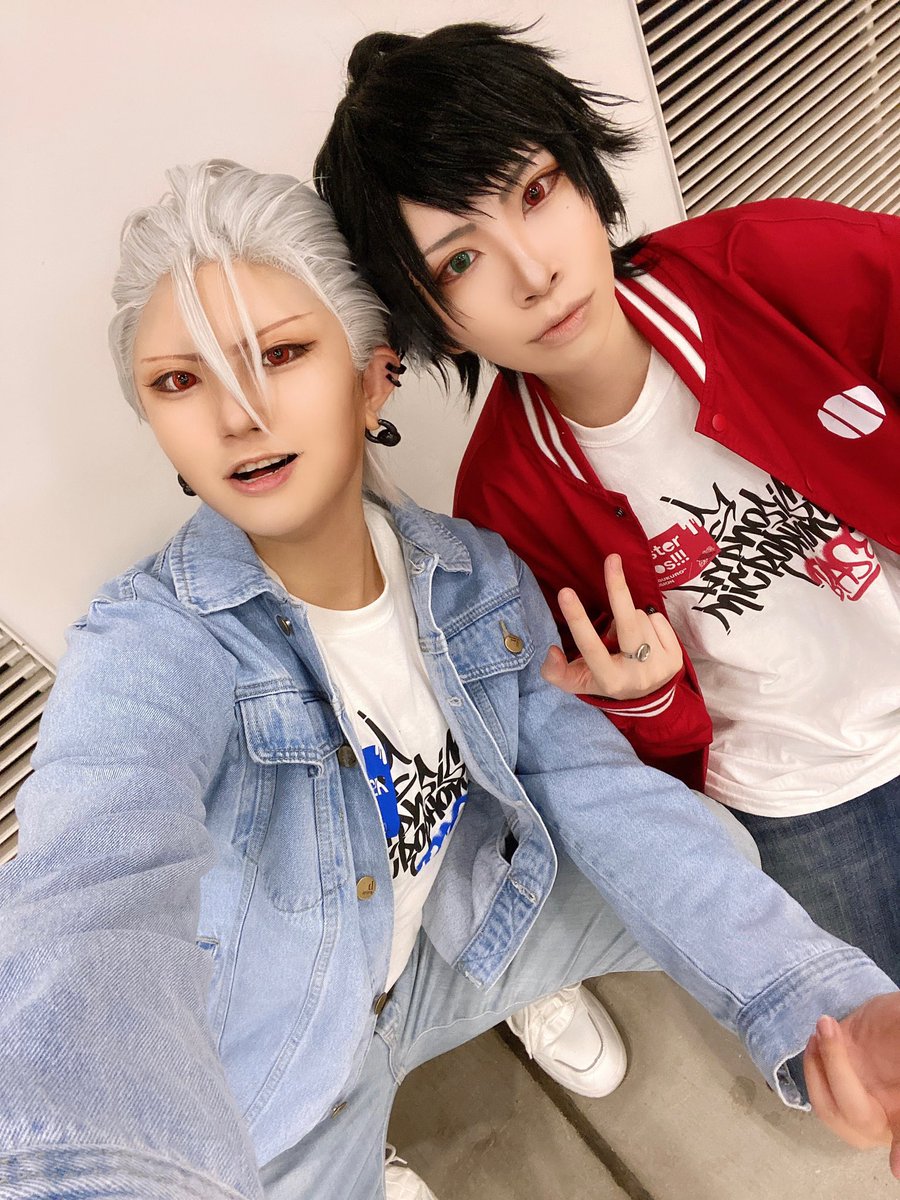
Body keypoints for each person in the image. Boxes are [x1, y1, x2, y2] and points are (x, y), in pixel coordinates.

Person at [2, 159, 898, 1200]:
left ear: (372, 377)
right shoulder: (149, 645)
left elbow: (605, 796)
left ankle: (520, 991)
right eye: (177, 381)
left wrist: (821, 1002)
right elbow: (90, 893)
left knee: (704, 841)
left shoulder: (474, 577)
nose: (237, 415)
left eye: (281, 354)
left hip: (454, 943)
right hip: (274, 1084)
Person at [314, 23, 900, 995]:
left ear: (585, 177)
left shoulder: (774, 264)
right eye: (461, 261)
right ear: (435, 323)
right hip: (800, 798)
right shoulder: (503, 504)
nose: (532, 272)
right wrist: (647, 701)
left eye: (535, 192)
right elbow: (621, 761)